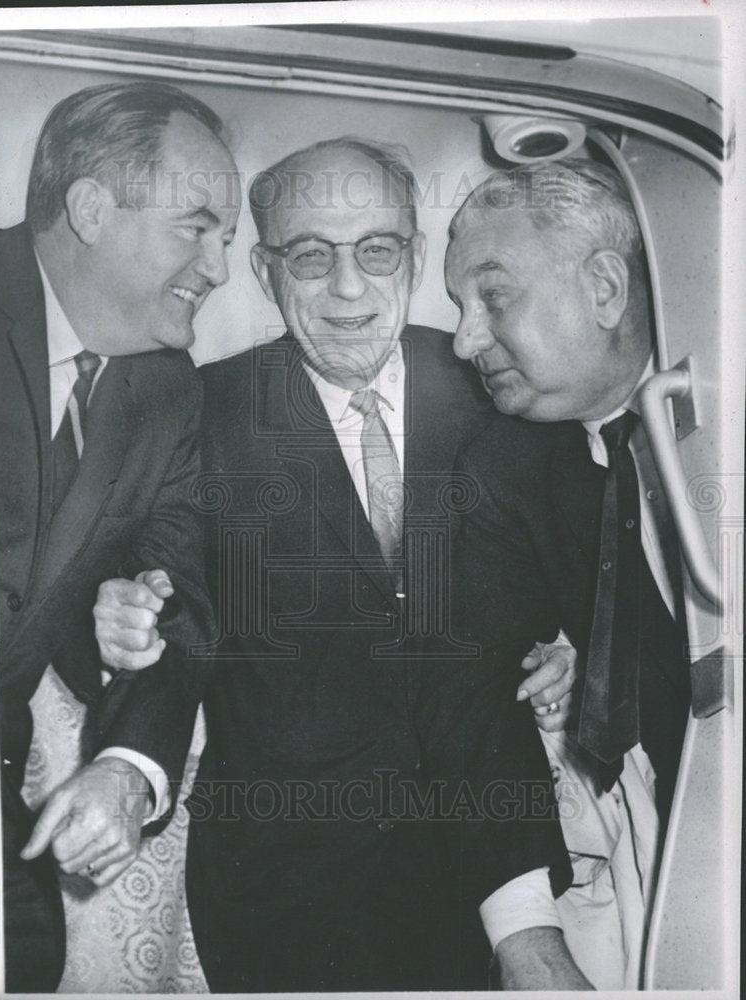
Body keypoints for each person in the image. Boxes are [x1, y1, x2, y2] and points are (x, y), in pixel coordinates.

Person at [95, 137, 592, 991]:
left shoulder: (502, 388)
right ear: (261, 267)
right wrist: (125, 689)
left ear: (414, 254)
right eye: (311, 257)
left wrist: (580, 653)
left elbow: (586, 576)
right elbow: (174, 612)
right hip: (284, 889)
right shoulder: (204, 412)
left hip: (492, 869)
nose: (347, 288)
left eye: (376, 251)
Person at [0, 80, 239, 991]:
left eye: (228, 238)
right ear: (90, 208)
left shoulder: (166, 391)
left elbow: (182, 600)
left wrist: (126, 770)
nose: (220, 266)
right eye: (197, 226)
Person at [445, 158, 692, 988]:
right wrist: (526, 945)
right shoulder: (499, 468)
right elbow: (475, 693)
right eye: (458, 308)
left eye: (491, 298)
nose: (463, 339)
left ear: (604, 288)